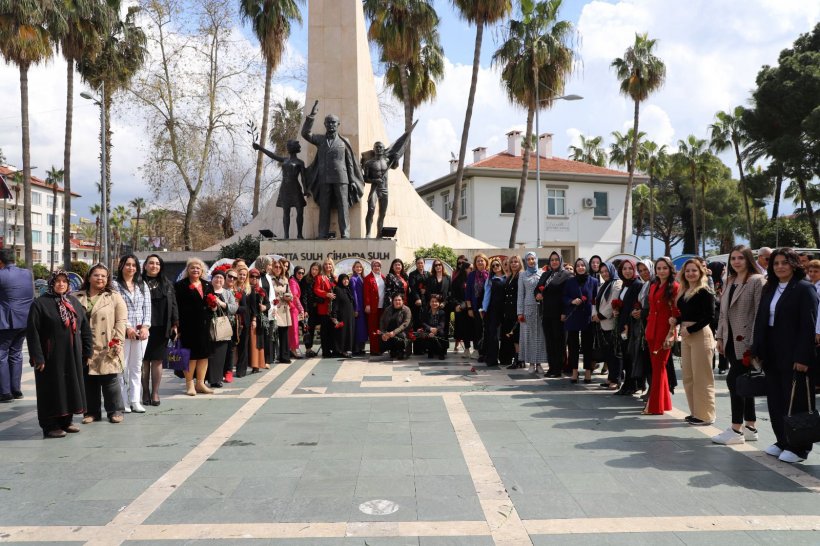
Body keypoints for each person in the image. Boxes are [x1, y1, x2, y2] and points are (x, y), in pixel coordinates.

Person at [752, 248, 818, 463]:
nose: (780, 266)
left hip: (794, 353)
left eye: (785, 262)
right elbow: (761, 320)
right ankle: (782, 440)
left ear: (794, 265)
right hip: (772, 353)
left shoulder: (804, 289)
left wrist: (803, 357)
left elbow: (808, 326)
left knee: (796, 400)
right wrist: (758, 349)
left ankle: (799, 447)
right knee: (776, 400)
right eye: (776, 263)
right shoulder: (770, 288)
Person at [26, 270, 92, 438]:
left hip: (72, 355)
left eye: (64, 281)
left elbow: (84, 328)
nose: (61, 284)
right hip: (51, 356)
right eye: (57, 281)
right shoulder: (40, 304)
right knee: (52, 388)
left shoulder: (74, 302)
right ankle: (50, 425)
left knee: (69, 387)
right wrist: (37, 357)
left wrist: (87, 351)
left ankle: (66, 421)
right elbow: (32, 332)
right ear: (51, 283)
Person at [712, 246, 765, 445]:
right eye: (733, 258)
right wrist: (719, 338)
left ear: (748, 259)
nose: (736, 261)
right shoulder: (729, 281)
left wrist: (755, 344)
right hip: (730, 340)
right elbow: (723, 313)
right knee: (745, 381)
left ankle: (736, 429)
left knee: (735, 381)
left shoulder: (757, 281)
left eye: (741, 258)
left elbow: (760, 314)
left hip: (747, 341)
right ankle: (750, 426)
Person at [301, 100, 365, 239]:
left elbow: (350, 163)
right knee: (324, 207)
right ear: (325, 124)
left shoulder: (344, 141)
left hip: (342, 178)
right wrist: (312, 115)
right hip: (324, 178)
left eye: (333, 122)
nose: (331, 125)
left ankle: (345, 233)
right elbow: (305, 134)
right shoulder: (320, 140)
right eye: (328, 122)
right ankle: (322, 233)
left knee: (343, 206)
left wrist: (353, 180)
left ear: (338, 124)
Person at [75, 264, 127, 424]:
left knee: (110, 379)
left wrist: (117, 341)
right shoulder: (76, 296)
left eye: (103, 276)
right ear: (89, 277)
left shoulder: (114, 296)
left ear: (108, 279)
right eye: (96, 275)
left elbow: (121, 321)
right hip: (84, 345)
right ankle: (92, 412)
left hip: (107, 343)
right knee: (88, 380)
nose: (100, 278)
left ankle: (115, 411)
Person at [676, 259, 717, 425]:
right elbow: (687, 313)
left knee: (702, 377)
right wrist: (677, 320)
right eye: (687, 271)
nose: (690, 273)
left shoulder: (705, 291)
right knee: (688, 376)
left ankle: (706, 415)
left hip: (700, 335)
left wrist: (690, 329)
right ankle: (695, 412)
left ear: (701, 272)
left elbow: (709, 316)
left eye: (694, 270)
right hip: (686, 335)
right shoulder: (685, 290)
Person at [112, 254, 151, 414]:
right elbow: (115, 308)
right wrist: (127, 327)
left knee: (137, 367)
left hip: (141, 333)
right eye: (127, 264)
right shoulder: (114, 285)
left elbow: (147, 308)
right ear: (121, 266)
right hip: (123, 332)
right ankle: (123, 401)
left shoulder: (142, 285)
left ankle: (135, 400)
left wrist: (146, 327)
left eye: (134, 265)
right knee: (122, 367)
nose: (131, 268)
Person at [644, 257, 679, 415]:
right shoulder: (653, 286)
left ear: (670, 269)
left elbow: (676, 313)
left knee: (658, 368)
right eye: (658, 268)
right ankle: (663, 403)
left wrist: (672, 334)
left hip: (665, 331)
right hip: (651, 329)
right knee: (657, 368)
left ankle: (654, 406)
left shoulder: (675, 287)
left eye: (664, 268)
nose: (661, 271)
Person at [174, 258, 215, 396]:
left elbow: (212, 302)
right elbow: (176, 306)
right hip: (188, 326)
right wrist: (176, 324)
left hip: (204, 325)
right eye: (192, 268)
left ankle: (201, 383)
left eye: (198, 268)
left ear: (202, 270)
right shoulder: (180, 285)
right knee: (190, 356)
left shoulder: (208, 285)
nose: (195, 270)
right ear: (187, 270)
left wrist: (213, 305)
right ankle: (189, 384)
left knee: (204, 355)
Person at [141, 255, 178, 406]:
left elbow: (174, 304)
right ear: (145, 266)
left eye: (157, 263)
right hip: (143, 327)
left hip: (162, 327)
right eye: (151, 263)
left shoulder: (167, 284)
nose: (154, 266)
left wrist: (175, 324)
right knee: (143, 361)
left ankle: (155, 392)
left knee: (157, 361)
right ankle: (144, 392)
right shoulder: (137, 283)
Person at [252, 139, 307, 239]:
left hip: (296, 188)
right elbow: (272, 155)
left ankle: (299, 234)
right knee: (286, 212)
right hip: (285, 189)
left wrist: (305, 190)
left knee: (300, 211)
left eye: (289, 146)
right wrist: (260, 148)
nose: (287, 148)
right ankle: (286, 235)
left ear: (293, 148)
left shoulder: (300, 162)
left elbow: (303, 178)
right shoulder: (285, 160)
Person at [0, 248, 34, 402]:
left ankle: (5, 392)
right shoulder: (27, 273)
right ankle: (16, 390)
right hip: (25, 320)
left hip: (7, 321)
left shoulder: (2, 274)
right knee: (16, 354)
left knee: (2, 354)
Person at [563, 258, 599, 384]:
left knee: (587, 345)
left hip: (588, 317)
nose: (580, 267)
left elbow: (596, 299)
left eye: (583, 265)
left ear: (587, 267)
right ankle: (574, 371)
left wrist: (595, 314)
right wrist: (571, 301)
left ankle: (588, 371)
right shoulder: (570, 281)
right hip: (573, 316)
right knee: (573, 346)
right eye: (578, 265)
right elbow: (564, 297)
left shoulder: (594, 281)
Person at [537, 251, 572, 377]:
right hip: (546, 313)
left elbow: (568, 294)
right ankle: (551, 367)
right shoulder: (546, 274)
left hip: (559, 314)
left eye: (556, 259)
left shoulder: (567, 275)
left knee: (559, 342)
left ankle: (558, 369)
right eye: (552, 260)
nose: (554, 262)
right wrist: (537, 295)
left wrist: (564, 312)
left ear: (561, 261)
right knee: (550, 342)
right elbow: (538, 288)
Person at [614, 259, 644, 396]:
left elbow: (635, 305)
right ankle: (629, 384)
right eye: (624, 269)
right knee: (626, 356)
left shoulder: (637, 284)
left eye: (630, 268)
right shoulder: (625, 285)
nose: (627, 271)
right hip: (623, 323)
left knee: (630, 355)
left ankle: (632, 384)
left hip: (630, 326)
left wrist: (627, 325)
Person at [592, 262, 622, 390]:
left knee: (615, 353)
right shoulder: (604, 285)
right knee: (608, 353)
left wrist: (600, 316)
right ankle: (611, 377)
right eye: (602, 272)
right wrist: (594, 315)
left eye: (606, 271)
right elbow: (595, 302)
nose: (604, 274)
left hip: (611, 322)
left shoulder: (617, 283)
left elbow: (612, 303)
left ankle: (616, 379)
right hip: (602, 323)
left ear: (612, 270)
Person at [520, 252, 550, 374]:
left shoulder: (543, 273)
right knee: (529, 336)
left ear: (536, 260)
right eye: (528, 259)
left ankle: (539, 363)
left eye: (533, 259)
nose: (531, 261)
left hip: (541, 308)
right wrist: (519, 312)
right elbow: (520, 295)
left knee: (540, 336)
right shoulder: (523, 275)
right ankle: (531, 363)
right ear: (526, 261)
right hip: (528, 308)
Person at [208, 270, 238, 388]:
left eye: (221, 278)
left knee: (221, 353)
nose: (218, 280)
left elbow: (234, 308)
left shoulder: (227, 293)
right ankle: (206, 377)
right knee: (210, 352)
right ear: (212, 279)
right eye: (216, 277)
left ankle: (217, 379)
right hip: (209, 325)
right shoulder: (207, 290)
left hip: (223, 325)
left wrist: (222, 303)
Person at [480, 257, 506, 367]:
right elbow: (487, 295)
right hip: (493, 310)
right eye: (493, 266)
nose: (495, 267)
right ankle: (492, 359)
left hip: (505, 310)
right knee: (493, 335)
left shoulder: (507, 278)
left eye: (497, 265)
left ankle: (506, 358)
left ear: (501, 266)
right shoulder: (490, 280)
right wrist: (484, 309)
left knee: (506, 334)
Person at [465, 254, 490, 362]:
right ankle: (478, 350)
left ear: (486, 262)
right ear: (475, 263)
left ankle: (486, 351)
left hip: (487, 307)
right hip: (475, 306)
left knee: (488, 329)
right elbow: (468, 293)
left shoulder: (489, 275)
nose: (480, 263)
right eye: (478, 261)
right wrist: (469, 308)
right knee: (477, 329)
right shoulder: (471, 275)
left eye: (482, 261)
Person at [269, 260, 293, 364]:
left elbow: (290, 294)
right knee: (272, 333)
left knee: (284, 333)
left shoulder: (285, 279)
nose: (278, 269)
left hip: (283, 308)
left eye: (280, 267)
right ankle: (271, 356)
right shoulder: (269, 279)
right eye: (276, 267)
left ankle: (284, 356)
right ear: (272, 268)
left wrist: (288, 296)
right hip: (274, 308)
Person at [500, 255, 521, 368]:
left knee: (517, 336)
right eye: (511, 262)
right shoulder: (509, 277)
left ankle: (518, 360)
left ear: (520, 263)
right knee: (512, 337)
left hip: (517, 310)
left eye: (516, 262)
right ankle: (517, 359)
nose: (513, 264)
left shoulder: (520, 276)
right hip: (508, 311)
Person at [314, 258, 337, 358]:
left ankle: (333, 349)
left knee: (333, 330)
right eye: (326, 264)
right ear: (324, 266)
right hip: (325, 308)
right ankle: (326, 351)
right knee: (325, 331)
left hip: (334, 308)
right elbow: (316, 289)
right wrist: (326, 294)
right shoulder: (320, 277)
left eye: (330, 264)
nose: (328, 266)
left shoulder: (334, 277)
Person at [450, 259, 474, 357]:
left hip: (472, 308)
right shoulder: (457, 280)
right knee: (464, 329)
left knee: (474, 329)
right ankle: (467, 349)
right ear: (465, 269)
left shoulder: (475, 279)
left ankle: (476, 350)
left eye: (473, 268)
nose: (472, 270)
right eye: (470, 268)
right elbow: (452, 295)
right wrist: (458, 305)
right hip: (461, 308)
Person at [247, 269, 268, 372]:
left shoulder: (262, 290)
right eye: (252, 276)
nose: (254, 279)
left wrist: (265, 307)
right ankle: (253, 364)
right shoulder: (247, 289)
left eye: (257, 277)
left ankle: (258, 364)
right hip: (249, 319)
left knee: (258, 343)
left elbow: (268, 304)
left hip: (259, 320)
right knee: (252, 342)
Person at [379, 293, 412, 360]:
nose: (397, 302)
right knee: (381, 338)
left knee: (400, 337)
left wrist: (394, 332)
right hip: (389, 333)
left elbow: (405, 324)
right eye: (395, 300)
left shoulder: (406, 310)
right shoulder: (388, 309)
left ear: (403, 301)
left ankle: (401, 351)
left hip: (401, 332)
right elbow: (382, 321)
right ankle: (392, 350)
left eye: (399, 300)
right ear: (392, 301)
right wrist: (383, 333)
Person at [364, 260, 386, 356]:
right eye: (375, 266)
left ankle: (381, 348)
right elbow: (366, 293)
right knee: (373, 328)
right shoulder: (368, 278)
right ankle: (374, 349)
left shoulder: (383, 277)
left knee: (381, 328)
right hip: (373, 307)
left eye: (378, 266)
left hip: (382, 307)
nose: (377, 267)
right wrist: (367, 305)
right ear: (372, 267)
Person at [232, 263, 251, 378]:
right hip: (233, 320)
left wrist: (253, 319)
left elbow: (251, 306)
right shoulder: (231, 287)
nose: (242, 277)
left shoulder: (248, 289)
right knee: (232, 346)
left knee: (243, 346)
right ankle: (228, 369)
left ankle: (241, 370)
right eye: (240, 274)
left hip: (245, 321)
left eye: (244, 275)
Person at [331, 273, 356, 357]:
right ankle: (341, 350)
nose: (346, 281)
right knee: (342, 333)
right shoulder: (337, 289)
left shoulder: (347, 289)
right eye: (344, 279)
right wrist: (334, 316)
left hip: (350, 315)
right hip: (342, 315)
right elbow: (335, 304)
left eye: (347, 279)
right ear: (341, 281)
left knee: (349, 332)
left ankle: (348, 349)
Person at [300, 262, 321, 357]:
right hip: (308, 309)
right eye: (313, 269)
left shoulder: (319, 279)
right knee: (308, 329)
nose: (314, 271)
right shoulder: (305, 279)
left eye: (316, 270)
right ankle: (308, 349)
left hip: (317, 308)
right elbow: (304, 296)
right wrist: (305, 310)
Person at [420, 294, 449, 359]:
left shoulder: (442, 313)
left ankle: (441, 352)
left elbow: (442, 324)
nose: (434, 303)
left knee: (441, 333)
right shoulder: (425, 312)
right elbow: (423, 323)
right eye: (432, 301)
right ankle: (430, 351)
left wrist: (435, 330)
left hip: (438, 331)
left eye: (436, 301)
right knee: (424, 335)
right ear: (429, 303)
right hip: (429, 331)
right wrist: (430, 329)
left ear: (439, 303)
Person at [288, 264, 306, 359]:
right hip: (293, 308)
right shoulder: (293, 282)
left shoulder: (295, 281)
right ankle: (294, 349)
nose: (301, 275)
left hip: (294, 309)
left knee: (294, 330)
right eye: (299, 273)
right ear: (295, 273)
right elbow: (295, 297)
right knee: (294, 330)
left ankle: (293, 348)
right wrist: (301, 309)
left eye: (302, 273)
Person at [350, 261, 368, 356]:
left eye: (360, 267)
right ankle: (356, 349)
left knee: (363, 328)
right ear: (353, 268)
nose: (359, 269)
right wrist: (356, 309)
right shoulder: (353, 279)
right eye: (357, 267)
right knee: (358, 328)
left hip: (364, 306)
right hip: (358, 306)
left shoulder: (362, 278)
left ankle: (361, 348)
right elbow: (354, 294)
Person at [408, 257, 430, 327]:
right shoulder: (412, 274)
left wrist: (426, 290)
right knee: (416, 319)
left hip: (426, 300)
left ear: (424, 264)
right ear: (416, 264)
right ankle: (416, 336)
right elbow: (413, 287)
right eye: (418, 263)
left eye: (421, 263)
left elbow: (430, 286)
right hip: (416, 300)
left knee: (425, 319)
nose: (420, 264)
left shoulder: (428, 274)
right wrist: (417, 298)